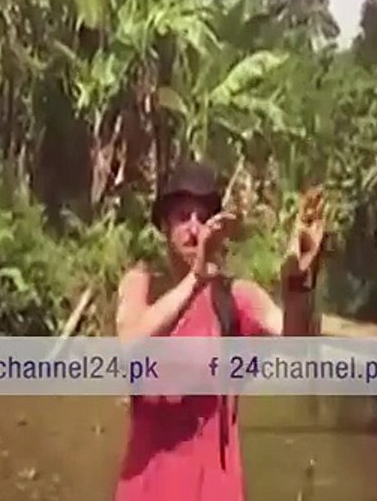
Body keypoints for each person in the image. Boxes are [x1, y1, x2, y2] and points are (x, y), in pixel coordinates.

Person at [113, 160, 326, 501]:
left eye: (202, 218)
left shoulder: (235, 298)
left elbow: (296, 344)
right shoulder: (141, 287)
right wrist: (195, 279)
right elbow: (130, 345)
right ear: (165, 226)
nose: (193, 229)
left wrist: (298, 280)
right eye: (182, 216)